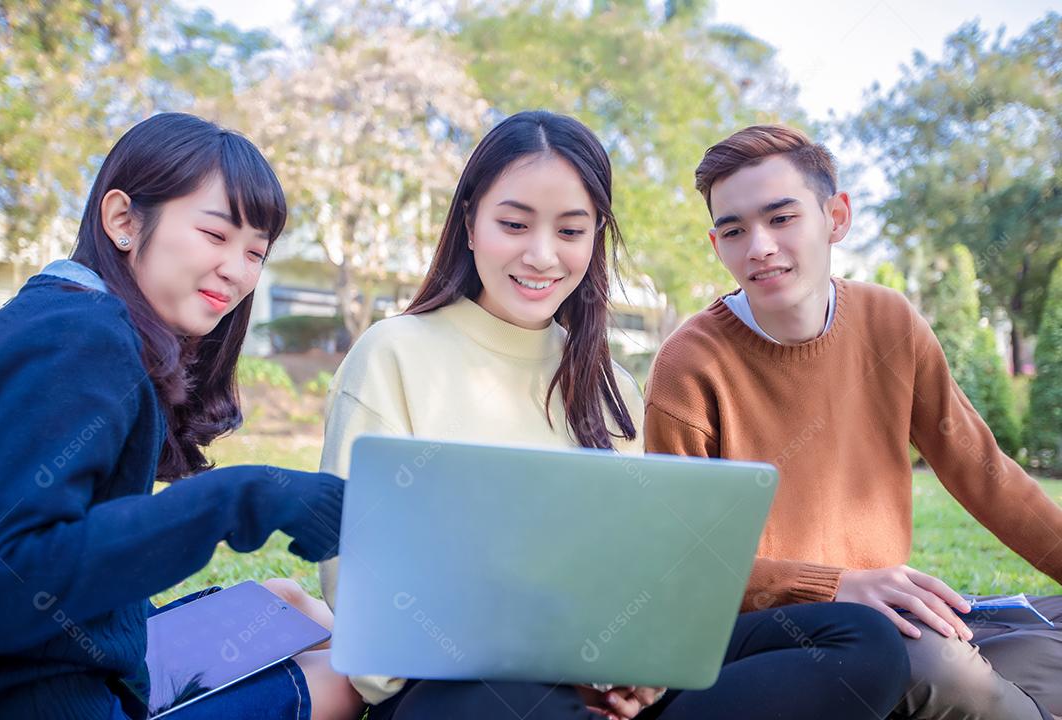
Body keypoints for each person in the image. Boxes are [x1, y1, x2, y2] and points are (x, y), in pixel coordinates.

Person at [318, 110, 910, 720]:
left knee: (861, 643)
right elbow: (358, 583)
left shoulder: (612, 387)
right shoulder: (393, 354)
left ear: (595, 237)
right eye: (514, 224)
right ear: (470, 223)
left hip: (597, 674)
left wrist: (641, 673)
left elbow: (640, 579)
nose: (542, 255)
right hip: (460, 686)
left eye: (571, 231)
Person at [644, 123, 1062, 720]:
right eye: (734, 230)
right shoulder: (689, 365)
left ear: (835, 217)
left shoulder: (890, 322)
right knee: (940, 667)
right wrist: (831, 585)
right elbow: (680, 560)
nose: (758, 245)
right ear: (717, 245)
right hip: (785, 641)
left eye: (781, 218)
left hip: (893, 610)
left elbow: (982, 471)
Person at [0, 113, 362, 720]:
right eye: (216, 236)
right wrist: (240, 498)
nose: (237, 272)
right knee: (345, 684)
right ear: (124, 221)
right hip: (45, 698)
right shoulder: (83, 339)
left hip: (94, 656)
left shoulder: (62, 316)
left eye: (255, 253)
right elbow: (4, 586)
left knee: (291, 601)